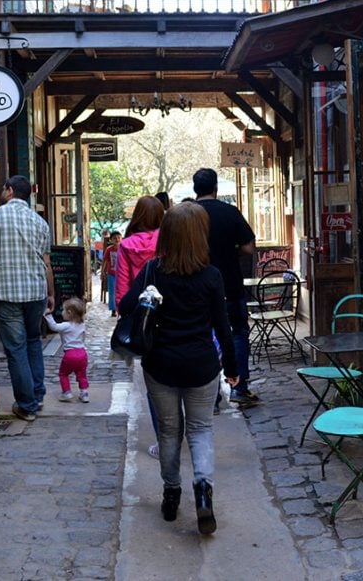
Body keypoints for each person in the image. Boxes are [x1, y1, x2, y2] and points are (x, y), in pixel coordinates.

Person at [119, 202, 239, 535]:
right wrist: (231, 367)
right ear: (201, 235)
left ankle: (171, 495)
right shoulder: (212, 276)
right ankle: (203, 492)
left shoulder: (154, 271)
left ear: (167, 234)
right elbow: (223, 327)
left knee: (169, 432)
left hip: (161, 365)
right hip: (201, 365)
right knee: (200, 430)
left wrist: (148, 294)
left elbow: (126, 305)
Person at [0, 175, 54, 422]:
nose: (1, 191)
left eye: (3, 188)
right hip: (35, 293)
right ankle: (37, 396)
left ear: (9, 191)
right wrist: (50, 293)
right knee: (33, 342)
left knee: (16, 349)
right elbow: (47, 264)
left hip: (6, 293)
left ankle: (27, 405)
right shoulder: (40, 223)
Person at [192, 167, 258, 407]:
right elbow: (249, 247)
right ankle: (239, 388)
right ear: (215, 188)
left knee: (203, 337)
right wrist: (232, 250)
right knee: (238, 333)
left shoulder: (188, 215)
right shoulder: (230, 212)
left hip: (196, 287)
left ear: (195, 189)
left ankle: (210, 396)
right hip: (229, 284)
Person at [114, 196, 166, 457]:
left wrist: (124, 311)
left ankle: (164, 441)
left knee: (154, 384)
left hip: (143, 320)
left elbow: (122, 290)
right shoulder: (168, 241)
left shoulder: (126, 245)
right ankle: (182, 433)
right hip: (169, 314)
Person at [44, 297, 89, 403]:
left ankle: (67, 393)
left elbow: (54, 327)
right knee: (81, 375)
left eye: (63, 310)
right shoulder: (82, 325)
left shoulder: (66, 325)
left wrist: (48, 315)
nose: (62, 312)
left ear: (69, 313)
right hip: (82, 353)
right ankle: (84, 393)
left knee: (63, 374)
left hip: (70, 354)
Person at [103, 231, 121, 315]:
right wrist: (103, 272)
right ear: (111, 240)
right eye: (114, 238)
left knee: (121, 291)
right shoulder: (109, 249)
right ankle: (113, 310)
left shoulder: (124, 248)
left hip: (121, 273)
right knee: (112, 292)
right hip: (111, 274)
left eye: (118, 237)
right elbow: (106, 261)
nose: (117, 239)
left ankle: (120, 308)